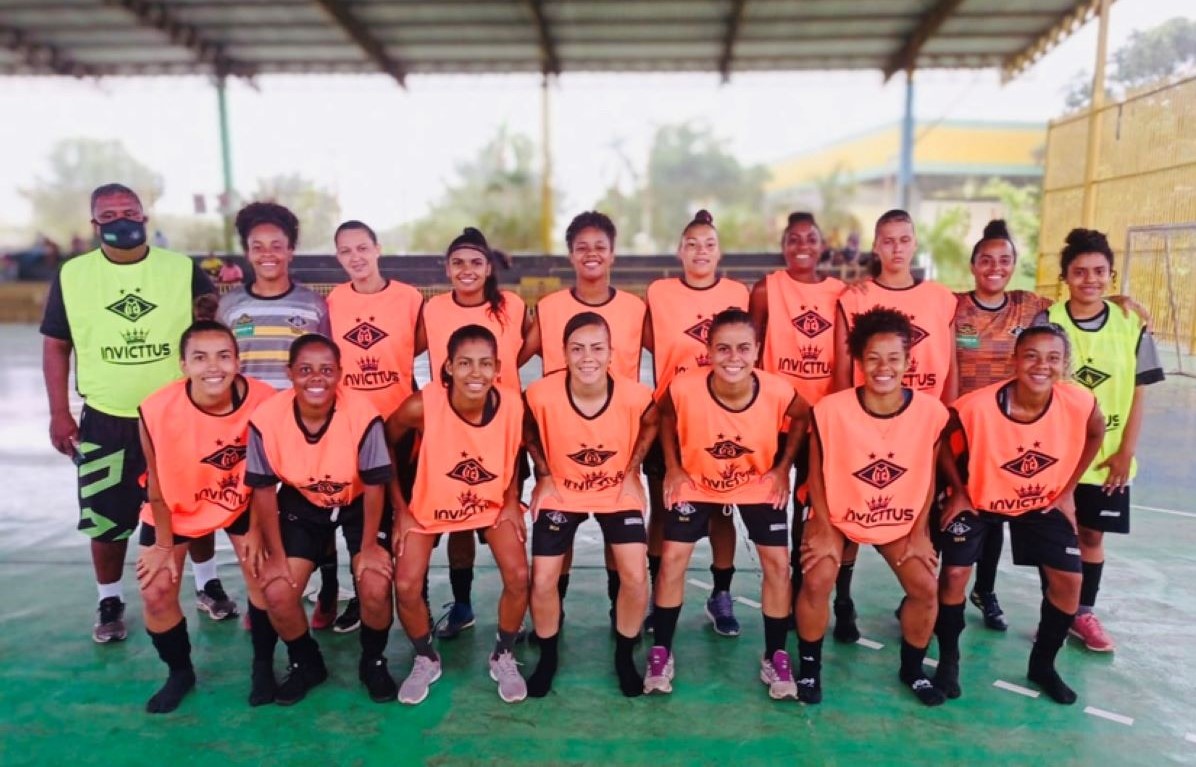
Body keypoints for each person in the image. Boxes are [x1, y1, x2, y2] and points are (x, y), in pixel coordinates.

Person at [40, 182, 220, 643]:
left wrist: (229, 283)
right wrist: (60, 412)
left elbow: (213, 323)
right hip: (105, 416)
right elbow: (57, 345)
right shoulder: (73, 275)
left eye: (129, 210)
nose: (120, 218)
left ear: (144, 216)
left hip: (177, 416)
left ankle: (208, 583)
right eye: (108, 213)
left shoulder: (182, 270)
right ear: (94, 223)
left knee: (190, 506)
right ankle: (109, 598)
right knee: (106, 516)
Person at [935, 325, 1104, 703]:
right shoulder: (976, 406)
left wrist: (1068, 490)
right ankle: (948, 660)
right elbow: (941, 439)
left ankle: (1043, 665)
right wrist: (959, 493)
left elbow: (1096, 433)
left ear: (1063, 364)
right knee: (955, 573)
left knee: (1069, 582)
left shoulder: (1079, 401)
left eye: (1052, 358)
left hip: (1038, 501)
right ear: (1014, 360)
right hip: (980, 500)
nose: (1041, 365)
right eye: (1031, 355)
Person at [645, 309, 810, 698]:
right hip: (697, 481)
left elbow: (803, 417)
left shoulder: (777, 390)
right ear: (708, 351)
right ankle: (661, 651)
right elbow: (663, 414)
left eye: (742, 348)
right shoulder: (685, 386)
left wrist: (781, 468)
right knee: (672, 560)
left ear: (756, 351)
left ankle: (775, 655)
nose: (733, 357)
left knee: (777, 565)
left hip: (755, 482)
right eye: (723, 348)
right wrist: (673, 467)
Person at [797, 308, 949, 707]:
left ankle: (912, 670)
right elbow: (817, 472)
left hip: (897, 522)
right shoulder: (830, 410)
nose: (883, 367)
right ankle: (810, 669)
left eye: (893, 358)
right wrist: (822, 526)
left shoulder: (931, 413)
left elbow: (928, 472)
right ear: (859, 361)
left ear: (908, 361)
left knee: (926, 589)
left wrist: (919, 532)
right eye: (873, 358)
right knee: (816, 580)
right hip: (840, 516)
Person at [245, 335, 397, 705]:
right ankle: (306, 662)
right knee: (278, 590)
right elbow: (264, 490)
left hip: (358, 502)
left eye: (327, 370)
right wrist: (277, 554)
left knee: (375, 584)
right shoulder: (266, 419)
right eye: (305, 370)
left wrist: (370, 547)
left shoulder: (363, 414)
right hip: (303, 502)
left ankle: (372, 661)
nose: (317, 378)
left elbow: (377, 485)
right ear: (290, 374)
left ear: (340, 375)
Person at [216, 203, 347, 632]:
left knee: (314, 510)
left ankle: (327, 589)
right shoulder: (231, 306)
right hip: (249, 431)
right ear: (247, 254)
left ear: (291, 251)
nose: (268, 253)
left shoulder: (312, 306)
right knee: (254, 512)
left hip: (302, 431)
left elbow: (324, 369)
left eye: (277, 245)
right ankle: (262, 596)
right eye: (258, 246)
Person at [829, 209, 958, 644]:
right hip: (865, 426)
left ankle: (915, 601)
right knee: (852, 510)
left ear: (915, 242)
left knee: (922, 508)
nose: (897, 248)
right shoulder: (857, 297)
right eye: (887, 240)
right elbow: (842, 369)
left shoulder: (941, 299)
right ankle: (842, 602)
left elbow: (951, 363)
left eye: (904, 239)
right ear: (876, 246)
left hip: (921, 428)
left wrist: (950, 417)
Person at [135, 320, 276, 712]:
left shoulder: (264, 401)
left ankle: (262, 664)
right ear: (183, 364)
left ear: (237, 361)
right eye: (200, 357)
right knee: (156, 591)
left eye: (223, 356)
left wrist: (261, 531)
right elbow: (156, 482)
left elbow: (267, 478)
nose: (213, 367)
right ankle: (179, 672)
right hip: (176, 507)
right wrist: (163, 543)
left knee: (265, 579)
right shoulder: (155, 408)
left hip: (241, 501)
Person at [1035, 228, 1164, 652]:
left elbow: (1139, 390)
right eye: (1079, 272)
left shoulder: (1132, 323)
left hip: (1107, 458)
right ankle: (1055, 612)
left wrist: (1127, 450)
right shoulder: (1048, 321)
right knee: (1056, 536)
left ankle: (1082, 613)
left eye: (1099, 271)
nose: (1089, 279)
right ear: (1065, 277)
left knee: (1091, 537)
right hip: (1056, 455)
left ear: (1110, 276)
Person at [387, 324, 529, 705]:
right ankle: (425, 657)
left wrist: (513, 498)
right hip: (428, 505)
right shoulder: (421, 406)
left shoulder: (512, 402)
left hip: (490, 503)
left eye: (484, 363)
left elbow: (515, 450)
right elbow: (382, 445)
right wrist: (400, 509)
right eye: (465, 363)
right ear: (447, 366)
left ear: (498, 367)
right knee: (405, 584)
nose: (475, 373)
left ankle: (503, 653)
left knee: (518, 575)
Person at [519, 210, 647, 626]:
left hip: (618, 440)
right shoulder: (552, 307)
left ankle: (620, 612)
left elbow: (672, 355)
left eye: (600, 247)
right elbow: (512, 360)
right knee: (560, 539)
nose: (591, 254)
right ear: (571, 256)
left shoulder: (634, 308)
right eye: (582, 248)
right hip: (563, 441)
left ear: (612, 254)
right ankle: (550, 620)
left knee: (619, 540)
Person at [523, 311, 657, 697]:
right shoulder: (541, 394)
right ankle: (548, 656)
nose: (588, 357)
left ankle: (624, 654)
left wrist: (633, 470)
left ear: (611, 353)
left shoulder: (635, 395)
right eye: (577, 349)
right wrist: (544, 473)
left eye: (597, 348)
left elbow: (653, 422)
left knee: (634, 577)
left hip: (616, 492)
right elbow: (526, 424)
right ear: (563, 353)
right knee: (544, 578)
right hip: (562, 491)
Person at [417, 227, 531, 640]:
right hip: (448, 433)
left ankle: (516, 610)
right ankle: (463, 605)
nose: (467, 270)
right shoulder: (433, 310)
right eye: (459, 263)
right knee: (460, 522)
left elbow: (529, 345)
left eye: (475, 263)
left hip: (501, 432)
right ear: (447, 268)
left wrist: (506, 382)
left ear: (488, 268)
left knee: (507, 516)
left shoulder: (512, 307)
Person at [643, 209, 749, 637]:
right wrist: (678, 375)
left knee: (723, 511)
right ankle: (657, 593)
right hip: (673, 417)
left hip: (724, 417)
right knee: (664, 510)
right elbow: (646, 338)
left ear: (719, 251)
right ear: (679, 251)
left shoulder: (738, 293)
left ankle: (719, 594)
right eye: (692, 244)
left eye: (708, 244)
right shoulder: (660, 292)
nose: (700, 251)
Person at [327, 220, 425, 630]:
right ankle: (360, 592)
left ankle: (414, 593)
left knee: (406, 514)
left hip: (399, 424)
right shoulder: (334, 301)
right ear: (338, 257)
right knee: (357, 519)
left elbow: (421, 342)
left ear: (378, 248)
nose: (356, 258)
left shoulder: (409, 298)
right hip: (352, 427)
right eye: (347, 251)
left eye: (363, 248)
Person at [749, 211, 845, 597]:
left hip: (821, 416)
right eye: (794, 239)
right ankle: (778, 583)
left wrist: (838, 411)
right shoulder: (766, 289)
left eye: (810, 238)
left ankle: (810, 582)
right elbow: (751, 351)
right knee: (771, 498)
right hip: (776, 416)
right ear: (784, 246)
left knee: (813, 501)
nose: (802, 245)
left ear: (822, 245)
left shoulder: (841, 293)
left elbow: (847, 356)